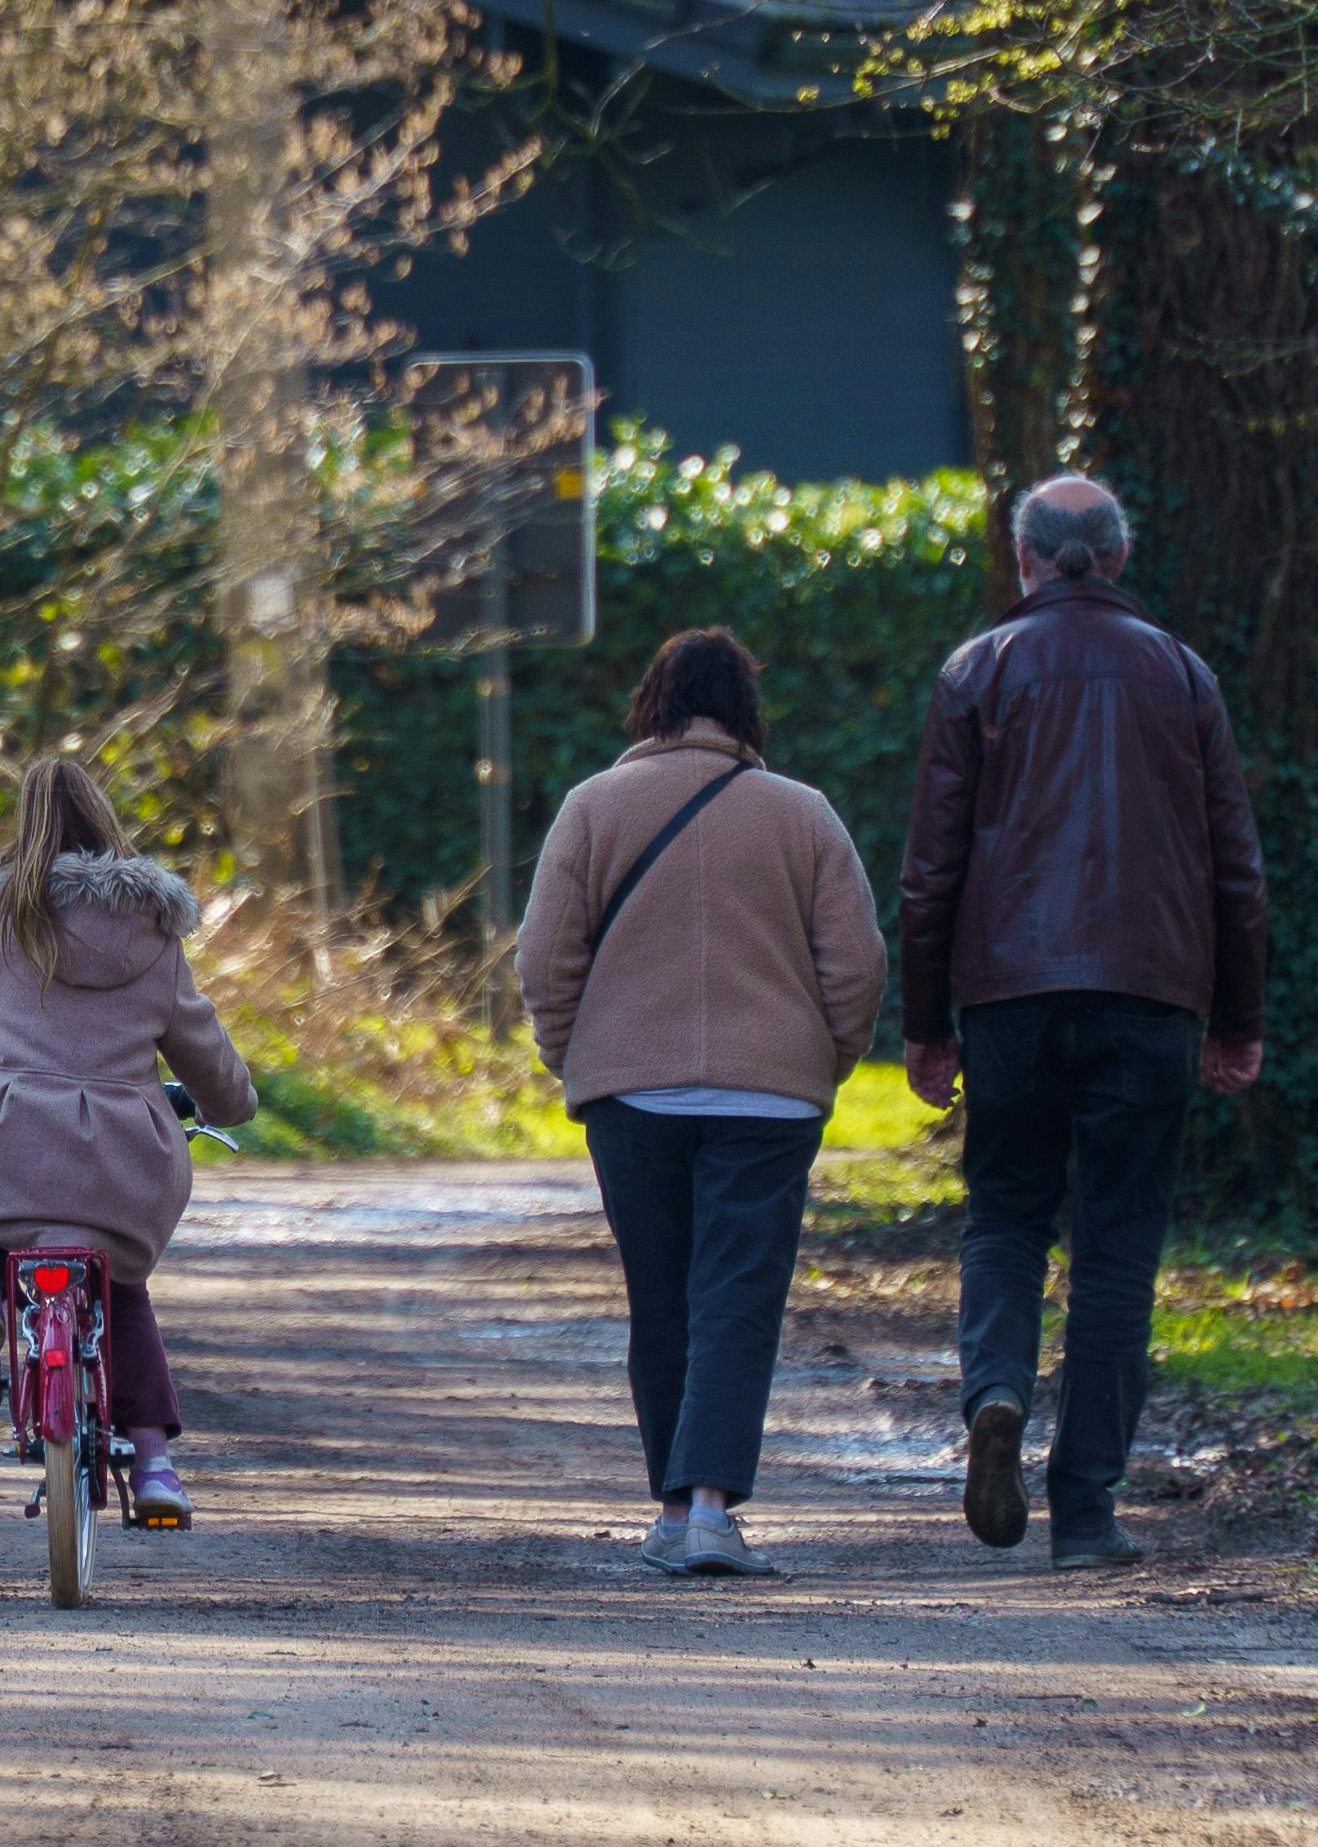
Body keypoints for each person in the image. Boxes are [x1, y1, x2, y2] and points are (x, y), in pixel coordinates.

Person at [895, 472, 1267, 1574]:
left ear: (1023, 559)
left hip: (1009, 993)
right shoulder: (1182, 674)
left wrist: (926, 1026)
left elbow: (930, 873)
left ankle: (997, 1392)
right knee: (1115, 1254)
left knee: (1006, 1217)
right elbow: (1236, 873)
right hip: (1149, 996)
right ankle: (1088, 1515)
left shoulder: (978, 671)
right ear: (1115, 557)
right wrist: (1235, 1021)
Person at [512, 625, 886, 1575]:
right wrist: (826, 1058)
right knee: (738, 1297)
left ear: (652, 703)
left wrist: (578, 1057)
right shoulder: (804, 816)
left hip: (631, 1095)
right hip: (771, 1097)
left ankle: (675, 1511)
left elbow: (544, 959)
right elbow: (857, 963)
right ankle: (714, 1508)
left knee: (662, 1297)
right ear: (747, 711)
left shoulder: (593, 808)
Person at [0, 754, 255, 1530]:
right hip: (125, 1161)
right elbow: (199, 1043)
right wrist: (230, 1104)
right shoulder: (154, 934)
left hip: (13, 1134)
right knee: (122, 1287)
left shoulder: (2, 918)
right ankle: (155, 1465)